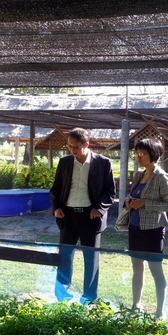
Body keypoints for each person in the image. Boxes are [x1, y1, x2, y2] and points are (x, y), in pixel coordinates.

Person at [50, 128, 116, 304]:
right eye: (69, 146)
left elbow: (110, 192)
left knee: (91, 259)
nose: (72, 150)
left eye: (76, 147)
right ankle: (62, 298)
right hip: (67, 216)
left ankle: (89, 299)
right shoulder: (64, 162)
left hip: (91, 217)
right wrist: (56, 208)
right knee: (64, 257)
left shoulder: (103, 163)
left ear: (86, 145)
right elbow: (56, 189)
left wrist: (98, 209)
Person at [125, 139, 168, 319]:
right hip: (135, 228)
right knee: (137, 269)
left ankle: (160, 311)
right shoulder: (139, 175)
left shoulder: (162, 176)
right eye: (137, 153)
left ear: (153, 154)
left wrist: (145, 203)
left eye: (143, 153)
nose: (139, 157)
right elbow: (134, 195)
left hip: (153, 230)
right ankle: (136, 305)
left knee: (156, 271)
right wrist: (129, 201)